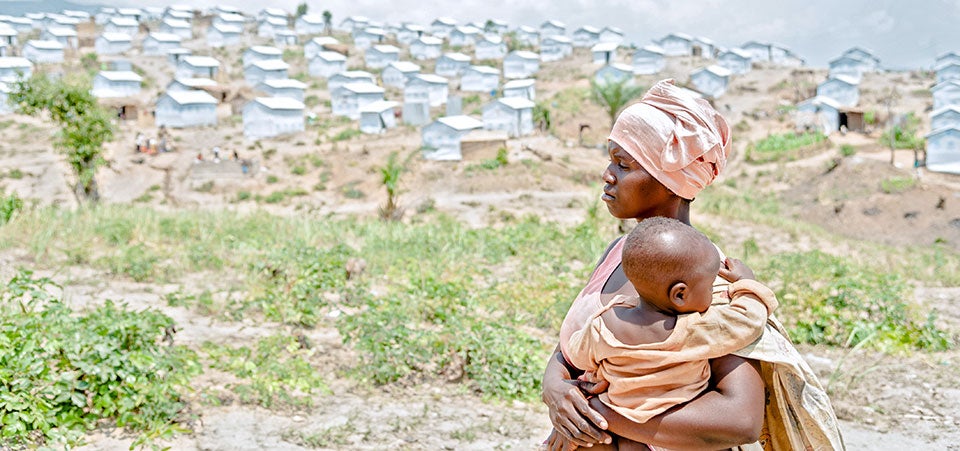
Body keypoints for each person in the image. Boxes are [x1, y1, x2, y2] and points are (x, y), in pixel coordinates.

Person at [541, 79, 844, 451]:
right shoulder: (618, 253)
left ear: (671, 182)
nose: (608, 174)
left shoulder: (706, 281)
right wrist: (555, 387)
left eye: (623, 164)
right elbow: (575, 347)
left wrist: (601, 413)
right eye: (610, 159)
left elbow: (739, 419)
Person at [553, 217, 778, 449]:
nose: (713, 293)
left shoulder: (605, 322)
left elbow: (576, 355)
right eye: (711, 287)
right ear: (680, 295)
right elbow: (747, 322)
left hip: (618, 422)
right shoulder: (693, 330)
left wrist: (596, 379)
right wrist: (747, 284)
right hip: (674, 433)